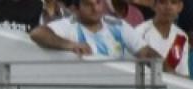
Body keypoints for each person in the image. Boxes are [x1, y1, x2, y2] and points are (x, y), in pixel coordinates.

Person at [29, 0, 158, 58]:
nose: (95, 9)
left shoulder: (118, 26)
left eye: (98, 2)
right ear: (75, 9)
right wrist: (70, 45)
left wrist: (169, 72)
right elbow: (37, 33)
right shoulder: (69, 25)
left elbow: (146, 52)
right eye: (88, 4)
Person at [135, 0, 190, 77]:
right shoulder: (140, 32)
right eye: (162, 2)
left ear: (180, 7)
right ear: (153, 5)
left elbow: (183, 75)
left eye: (173, 2)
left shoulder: (181, 37)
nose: (168, 7)